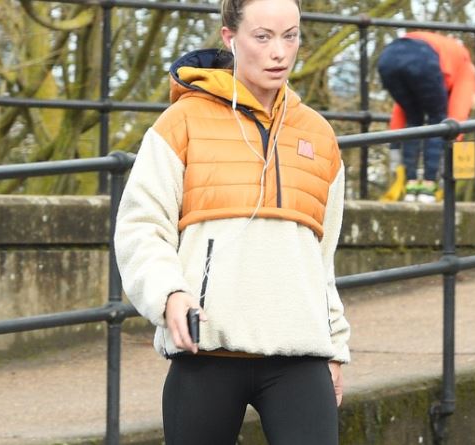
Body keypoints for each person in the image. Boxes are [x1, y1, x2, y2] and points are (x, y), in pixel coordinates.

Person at [114, 0, 351, 443]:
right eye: (263, 37)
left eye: (291, 36)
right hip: (206, 352)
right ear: (230, 38)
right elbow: (141, 227)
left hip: (300, 356)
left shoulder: (319, 136)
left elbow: (323, 259)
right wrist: (168, 294)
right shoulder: (180, 123)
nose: (279, 52)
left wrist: (335, 346)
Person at [377, 31, 475, 203]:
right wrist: (452, 145)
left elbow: (400, 112)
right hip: (423, 58)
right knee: (438, 120)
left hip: (387, 58)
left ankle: (410, 185)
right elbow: (456, 119)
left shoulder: (446, 51)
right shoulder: (466, 67)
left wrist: (394, 146)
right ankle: (428, 186)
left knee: (413, 118)